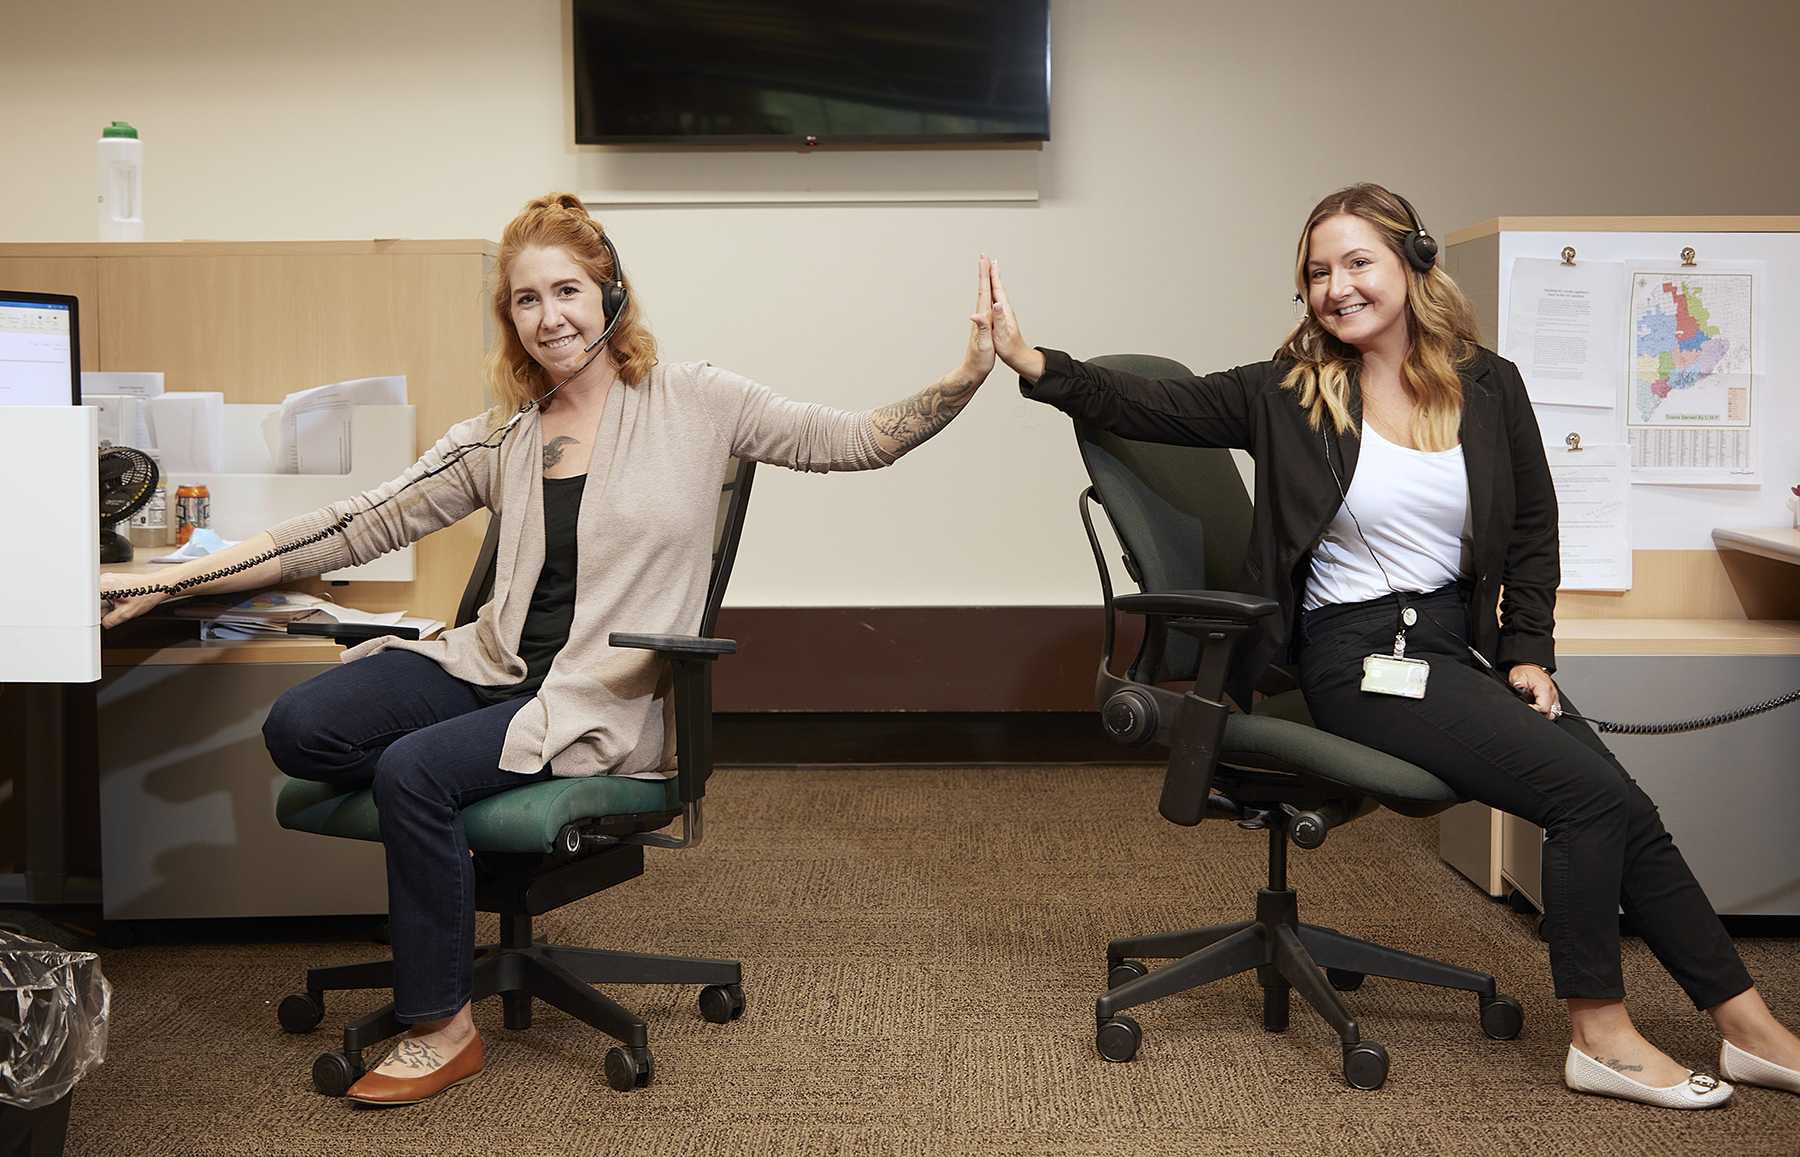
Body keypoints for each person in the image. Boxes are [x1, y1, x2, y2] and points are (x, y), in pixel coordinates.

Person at [99, 193, 1000, 1105]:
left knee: (415, 771)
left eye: (566, 290)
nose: (548, 317)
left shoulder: (695, 400)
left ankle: (441, 1026)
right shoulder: (507, 430)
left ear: (612, 292)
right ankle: (445, 837)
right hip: (492, 668)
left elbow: (854, 440)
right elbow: (355, 524)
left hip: (594, 697)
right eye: (525, 299)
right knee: (302, 727)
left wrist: (965, 376)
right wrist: (169, 581)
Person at [985, 182, 1800, 1109]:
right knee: (1583, 797)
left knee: (1626, 804)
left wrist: (1529, 651)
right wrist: (1031, 358)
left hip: (1455, 645)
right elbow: (1144, 402)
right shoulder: (1288, 392)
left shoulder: (1488, 385)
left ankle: (1750, 1029)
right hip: (1355, 657)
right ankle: (1602, 1037)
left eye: (1358, 262)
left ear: (1413, 264)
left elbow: (1534, 528)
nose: (1336, 287)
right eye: (1318, 271)